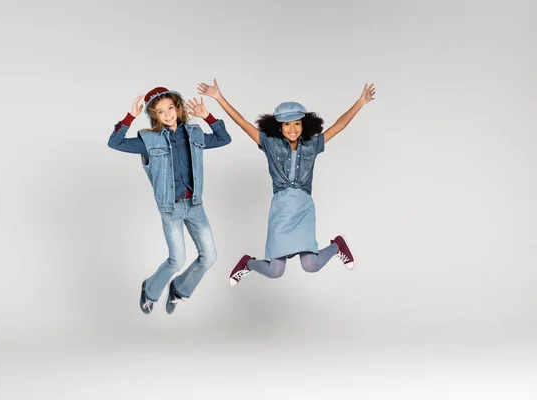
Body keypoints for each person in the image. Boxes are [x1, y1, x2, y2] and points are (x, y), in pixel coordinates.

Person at [197, 79, 375, 286]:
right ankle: (248, 263)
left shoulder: (312, 145)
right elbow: (243, 123)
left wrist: (360, 102)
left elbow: (340, 125)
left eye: (297, 123)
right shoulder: (270, 144)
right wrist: (219, 98)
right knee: (275, 271)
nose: (293, 128)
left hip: (303, 208)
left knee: (311, 265)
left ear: (304, 125)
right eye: (287, 124)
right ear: (279, 127)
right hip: (281, 208)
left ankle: (337, 245)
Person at [107, 87, 231, 312]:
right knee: (177, 260)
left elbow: (224, 138)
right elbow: (115, 143)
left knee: (210, 256)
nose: (167, 115)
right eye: (160, 112)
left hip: (195, 205)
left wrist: (208, 117)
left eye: (170, 108)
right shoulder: (149, 140)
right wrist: (130, 117)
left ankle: (180, 289)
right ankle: (150, 290)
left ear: (178, 107)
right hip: (170, 208)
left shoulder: (194, 134)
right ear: (154, 116)